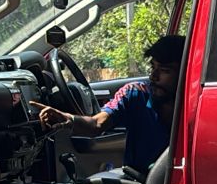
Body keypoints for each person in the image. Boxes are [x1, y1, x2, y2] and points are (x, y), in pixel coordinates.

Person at [38, 34, 183, 173]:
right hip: (140, 180)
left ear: (186, 71)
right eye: (153, 67)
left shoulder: (194, 107)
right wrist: (69, 119)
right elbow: (97, 124)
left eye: (165, 71)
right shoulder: (135, 94)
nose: (153, 76)